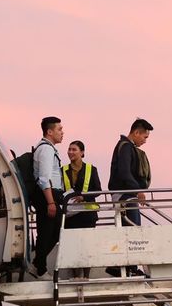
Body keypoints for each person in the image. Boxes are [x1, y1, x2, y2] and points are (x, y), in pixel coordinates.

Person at [61, 140, 102, 279]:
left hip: (87, 214)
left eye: (74, 150)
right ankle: (75, 275)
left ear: (82, 153)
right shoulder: (63, 170)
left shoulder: (91, 169)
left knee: (86, 246)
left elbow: (98, 191)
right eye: (69, 149)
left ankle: (86, 276)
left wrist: (83, 197)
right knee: (72, 246)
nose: (70, 152)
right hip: (71, 215)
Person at [31, 116, 65, 276]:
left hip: (50, 196)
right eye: (59, 129)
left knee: (54, 230)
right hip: (46, 196)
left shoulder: (48, 148)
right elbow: (44, 178)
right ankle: (40, 268)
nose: (62, 132)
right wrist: (50, 202)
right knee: (47, 231)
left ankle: (39, 263)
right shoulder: (46, 149)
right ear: (49, 131)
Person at [108, 118, 152, 226]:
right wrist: (138, 190)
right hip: (125, 196)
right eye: (144, 137)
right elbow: (124, 172)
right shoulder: (126, 147)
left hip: (127, 195)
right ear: (136, 133)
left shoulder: (126, 146)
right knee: (133, 231)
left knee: (133, 229)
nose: (145, 141)